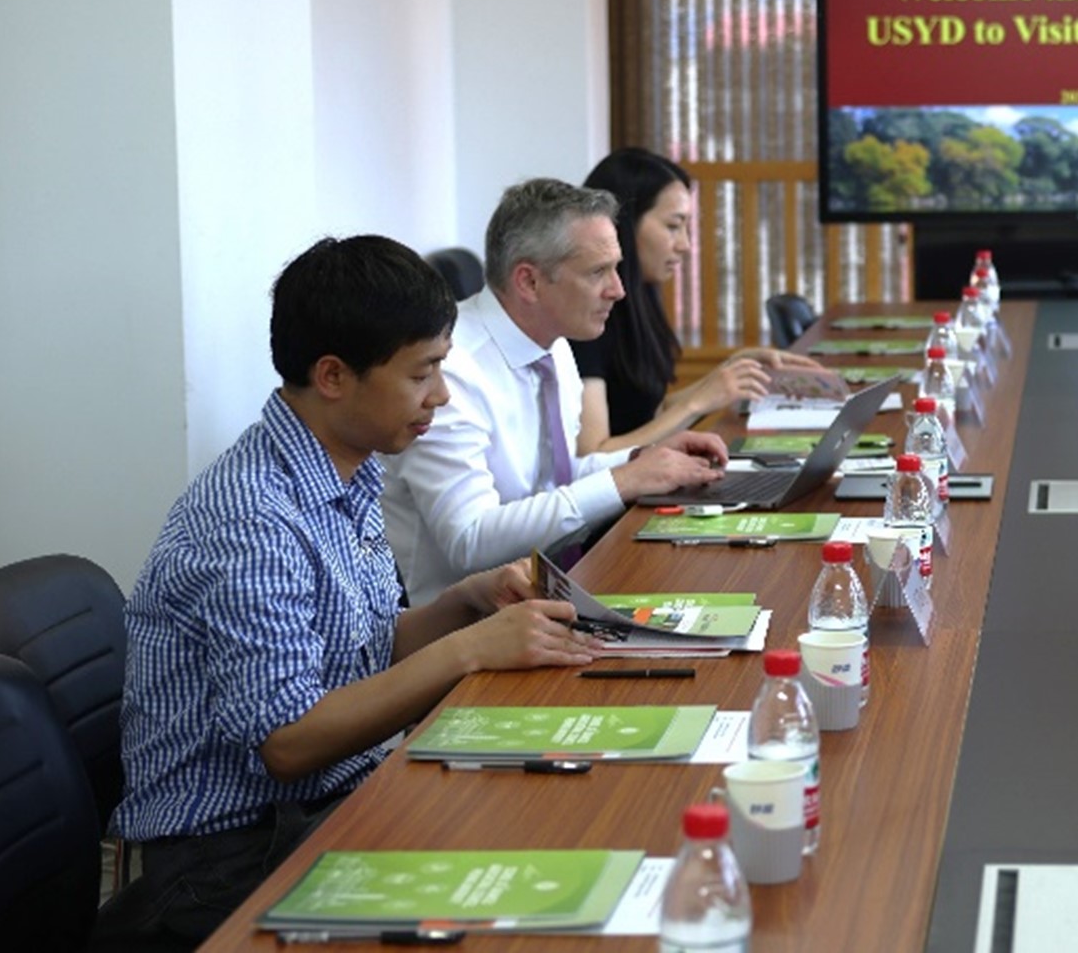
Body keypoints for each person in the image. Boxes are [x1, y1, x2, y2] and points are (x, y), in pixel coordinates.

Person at [100, 236, 604, 950]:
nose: (441, 396)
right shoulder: (252, 518)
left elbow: (356, 650)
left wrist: (460, 605)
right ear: (333, 376)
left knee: (543, 838)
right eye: (422, 373)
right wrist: (468, 650)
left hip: (321, 807)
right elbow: (288, 740)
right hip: (230, 862)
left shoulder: (347, 465)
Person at [385, 179, 726, 606]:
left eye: (616, 268)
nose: (618, 289)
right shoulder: (449, 370)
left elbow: (554, 481)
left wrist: (642, 459)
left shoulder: (553, 345)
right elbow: (470, 540)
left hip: (549, 596)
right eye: (598, 272)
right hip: (467, 626)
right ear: (529, 282)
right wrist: (624, 480)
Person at [572, 147, 830, 453]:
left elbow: (649, 413)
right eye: (673, 226)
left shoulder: (638, 302)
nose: (685, 244)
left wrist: (731, 372)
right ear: (621, 226)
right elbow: (593, 455)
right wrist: (697, 402)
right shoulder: (585, 317)